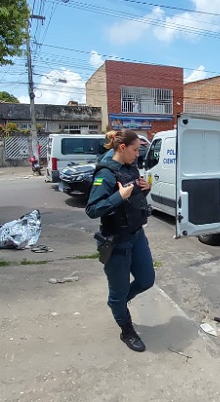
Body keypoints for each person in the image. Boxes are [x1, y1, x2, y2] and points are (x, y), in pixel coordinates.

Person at [85, 129, 154, 353]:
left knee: (146, 279)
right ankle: (126, 329)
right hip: (118, 243)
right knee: (118, 292)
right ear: (122, 148)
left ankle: (119, 302)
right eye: (135, 150)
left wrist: (145, 189)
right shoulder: (105, 175)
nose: (137, 154)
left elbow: (133, 200)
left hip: (137, 236)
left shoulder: (129, 168)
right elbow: (92, 209)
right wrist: (119, 196)